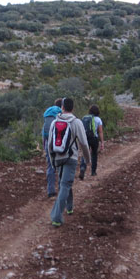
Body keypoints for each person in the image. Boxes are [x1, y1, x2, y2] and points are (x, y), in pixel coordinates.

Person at [47, 97, 91, 227]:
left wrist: (52, 161)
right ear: (72, 108)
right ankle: (56, 217)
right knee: (66, 184)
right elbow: (83, 143)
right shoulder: (76, 122)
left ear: (62, 108)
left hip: (58, 158)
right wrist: (87, 160)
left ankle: (69, 207)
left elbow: (50, 144)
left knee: (64, 183)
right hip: (71, 158)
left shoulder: (55, 122)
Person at [42, 98, 63, 198]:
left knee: (50, 166)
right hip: (57, 142)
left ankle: (50, 190)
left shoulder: (47, 114)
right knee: (60, 165)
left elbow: (43, 132)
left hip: (47, 142)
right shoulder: (60, 113)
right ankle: (60, 188)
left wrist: (44, 145)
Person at [79, 104, 104, 179]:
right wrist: (102, 142)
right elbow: (100, 131)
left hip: (85, 138)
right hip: (94, 138)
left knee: (85, 154)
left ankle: (83, 167)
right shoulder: (98, 119)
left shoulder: (84, 118)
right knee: (94, 154)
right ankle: (93, 171)